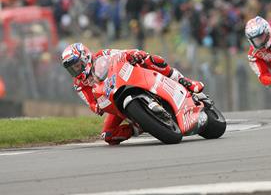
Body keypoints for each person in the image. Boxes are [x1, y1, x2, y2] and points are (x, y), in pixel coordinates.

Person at [61, 43, 204, 145]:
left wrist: (132, 55)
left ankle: (184, 81)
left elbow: (121, 54)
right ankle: (139, 125)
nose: (75, 70)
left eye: (76, 64)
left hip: (126, 79)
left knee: (149, 59)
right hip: (113, 98)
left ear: (84, 57)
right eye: (71, 68)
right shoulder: (78, 84)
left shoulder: (102, 55)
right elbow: (90, 102)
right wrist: (96, 107)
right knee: (108, 136)